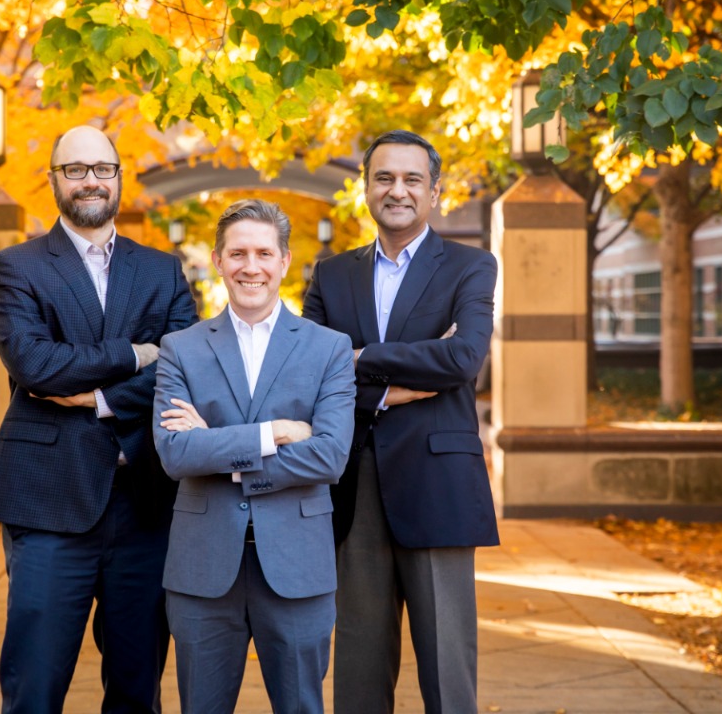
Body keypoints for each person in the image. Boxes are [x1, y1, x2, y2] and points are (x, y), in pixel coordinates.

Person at [0, 125, 198, 714]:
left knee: (136, 688)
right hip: (47, 502)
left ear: (120, 177)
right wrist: (133, 354)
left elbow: (184, 369)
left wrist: (98, 399)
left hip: (146, 506)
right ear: (54, 180)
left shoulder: (163, 271)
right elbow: (35, 364)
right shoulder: (14, 267)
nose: (91, 180)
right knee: (35, 688)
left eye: (103, 168)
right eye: (75, 169)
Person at [302, 129, 499, 714]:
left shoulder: (471, 265)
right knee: (359, 667)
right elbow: (311, 377)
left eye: (413, 179)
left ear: (435, 191)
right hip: (354, 483)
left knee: (447, 668)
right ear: (365, 188)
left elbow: (464, 359)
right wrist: (391, 391)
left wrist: (361, 358)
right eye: (384, 177)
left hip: (439, 483)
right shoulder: (331, 275)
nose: (398, 190)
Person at [152, 199, 355, 714]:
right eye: (238, 253)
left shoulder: (329, 348)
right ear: (218, 260)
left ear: (284, 261)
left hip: (297, 566)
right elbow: (176, 453)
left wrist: (220, 449)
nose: (251, 266)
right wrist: (276, 433)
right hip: (203, 568)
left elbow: (329, 457)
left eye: (264, 253)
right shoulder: (181, 348)